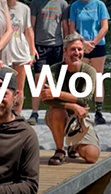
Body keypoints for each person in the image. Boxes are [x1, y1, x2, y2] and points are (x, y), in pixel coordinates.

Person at [43, 33, 101, 165]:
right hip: (64, 112)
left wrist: (57, 93)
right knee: (56, 111)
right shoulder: (54, 70)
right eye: (73, 49)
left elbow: (85, 99)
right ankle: (60, 150)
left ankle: (73, 146)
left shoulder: (89, 71)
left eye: (80, 49)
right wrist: (73, 106)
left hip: (80, 117)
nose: (77, 53)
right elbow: (47, 99)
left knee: (92, 156)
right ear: (65, 51)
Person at [29, 0, 69, 125]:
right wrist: (31, 48)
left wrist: (66, 49)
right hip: (40, 46)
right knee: (38, 81)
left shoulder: (63, 4)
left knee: (55, 82)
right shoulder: (36, 2)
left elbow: (65, 29)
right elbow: (31, 27)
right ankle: (34, 113)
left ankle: (56, 111)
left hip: (57, 46)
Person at [69, 0, 110, 125]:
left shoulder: (100, 5)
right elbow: (72, 28)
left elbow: (104, 27)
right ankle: (81, 108)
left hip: (97, 45)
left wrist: (94, 42)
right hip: (81, 46)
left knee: (98, 77)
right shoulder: (75, 6)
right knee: (81, 78)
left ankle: (99, 111)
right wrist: (83, 43)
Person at [3, 0, 38, 116]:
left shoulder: (25, 9)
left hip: (20, 51)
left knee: (19, 88)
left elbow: (28, 31)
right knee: (4, 87)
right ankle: (5, 114)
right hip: (4, 53)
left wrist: (32, 51)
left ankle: (17, 115)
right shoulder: (0, 6)